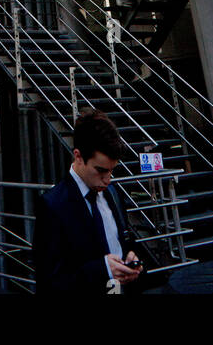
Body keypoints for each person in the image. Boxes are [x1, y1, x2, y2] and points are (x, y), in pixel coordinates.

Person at [32, 108, 145, 296]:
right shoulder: (52, 206)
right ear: (78, 156)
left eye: (111, 171)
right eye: (101, 170)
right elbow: (49, 282)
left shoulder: (113, 194)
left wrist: (131, 258)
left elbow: (123, 241)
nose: (108, 179)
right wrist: (103, 270)